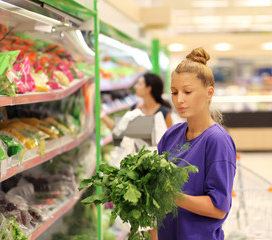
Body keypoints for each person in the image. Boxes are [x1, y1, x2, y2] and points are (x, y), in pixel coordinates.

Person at [154, 47, 237, 239]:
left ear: (209, 93)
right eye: (174, 92)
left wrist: (173, 197)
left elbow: (218, 208)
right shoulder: (171, 135)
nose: (179, 99)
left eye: (188, 92)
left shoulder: (217, 141)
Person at [101, 72, 173, 129]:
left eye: (139, 84)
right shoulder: (134, 108)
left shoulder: (164, 113)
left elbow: (171, 140)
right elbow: (118, 129)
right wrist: (102, 115)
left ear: (148, 89)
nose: (135, 87)